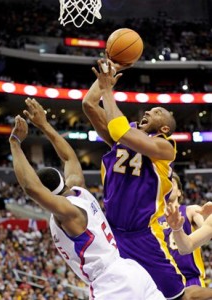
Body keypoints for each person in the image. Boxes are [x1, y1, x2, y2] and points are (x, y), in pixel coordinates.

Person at [9, 98, 166, 300]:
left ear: (47, 195)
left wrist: (15, 143)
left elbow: (31, 188)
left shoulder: (67, 212)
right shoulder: (78, 189)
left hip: (111, 284)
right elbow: (69, 158)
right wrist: (44, 125)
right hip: (132, 270)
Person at [82, 59, 196, 300]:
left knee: (177, 296)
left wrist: (107, 89)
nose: (147, 111)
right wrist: (109, 72)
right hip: (111, 233)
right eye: (149, 109)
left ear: (164, 128)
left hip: (143, 236)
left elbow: (119, 130)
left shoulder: (164, 148)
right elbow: (89, 104)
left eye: (156, 112)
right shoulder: (122, 136)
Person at [159, 173, 212, 299]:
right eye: (164, 183)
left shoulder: (190, 210)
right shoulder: (151, 220)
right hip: (164, 282)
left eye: (171, 183)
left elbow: (206, 227)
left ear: (179, 192)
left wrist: (207, 218)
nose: (168, 186)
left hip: (190, 280)